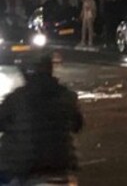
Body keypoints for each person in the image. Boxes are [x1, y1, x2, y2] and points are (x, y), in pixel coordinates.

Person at [0, 54, 83, 184]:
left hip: (22, 169)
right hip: (61, 166)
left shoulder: (16, 99)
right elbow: (78, 125)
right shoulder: (67, 96)